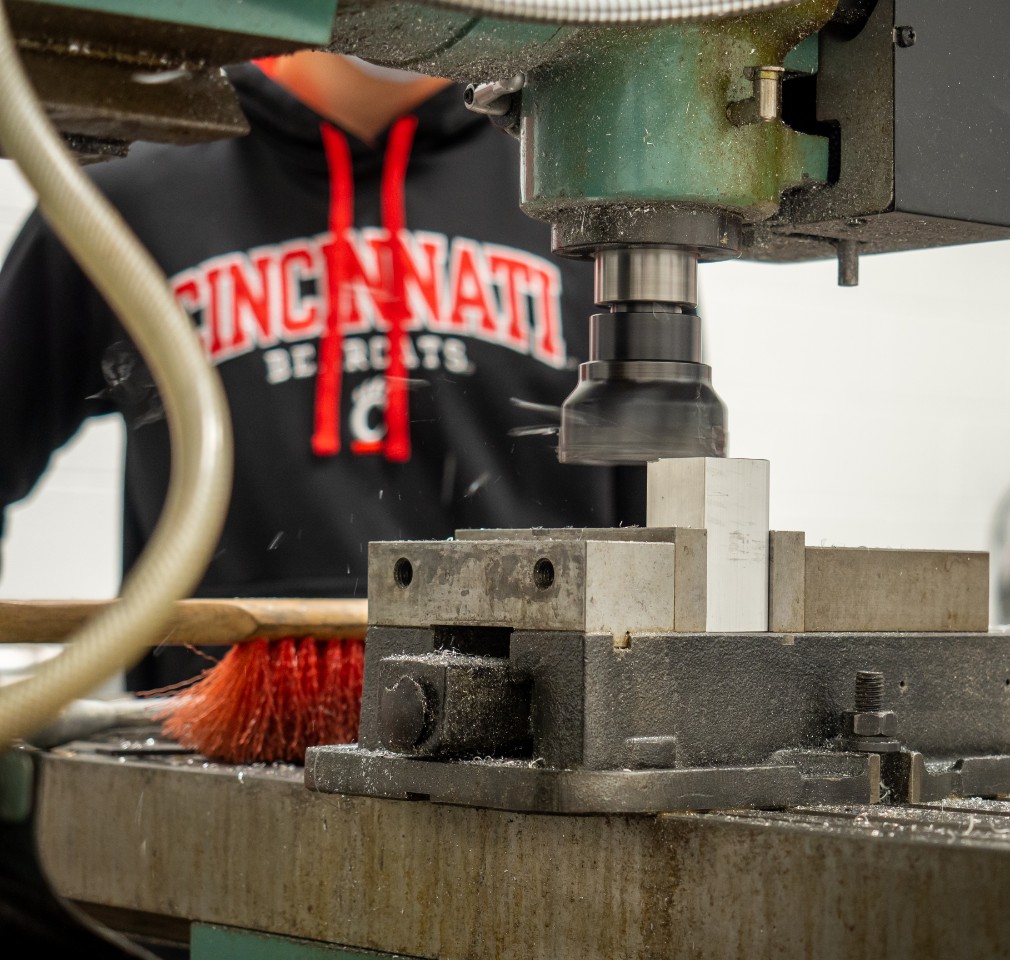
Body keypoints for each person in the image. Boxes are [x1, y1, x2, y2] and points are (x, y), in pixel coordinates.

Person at [0, 53, 644, 687]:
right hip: (206, 743)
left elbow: (656, 527)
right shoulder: (125, 197)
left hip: (533, 743)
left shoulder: (582, 196)